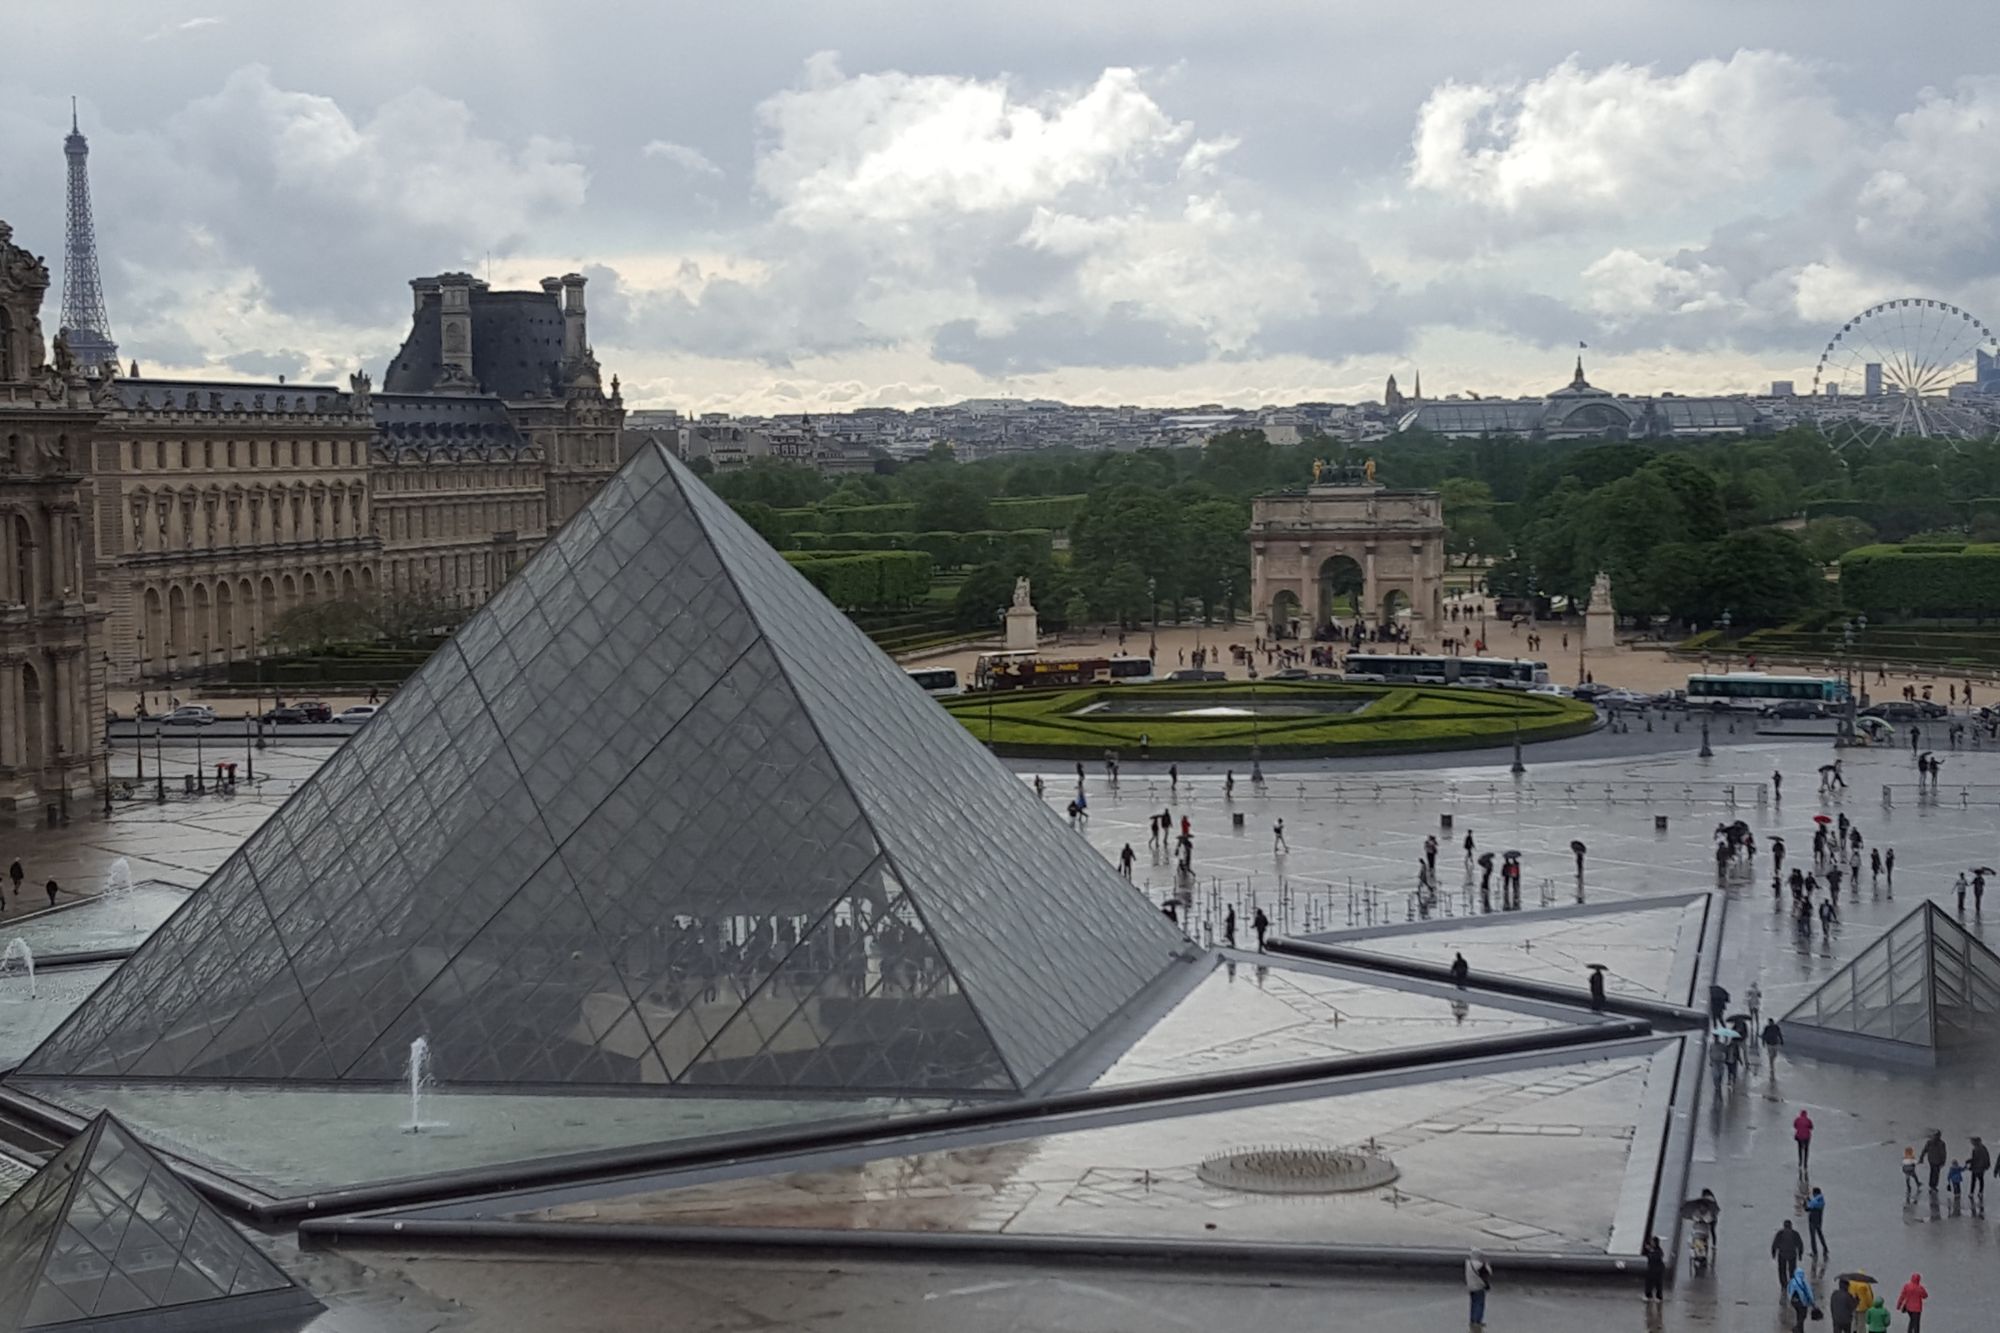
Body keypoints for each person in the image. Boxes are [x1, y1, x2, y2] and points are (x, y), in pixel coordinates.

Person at [1785, 1256, 1815, 1332]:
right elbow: (1809, 1292)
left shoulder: (1792, 1281)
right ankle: (1797, 1327)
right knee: (1803, 1316)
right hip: (1802, 1302)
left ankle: (1800, 1329)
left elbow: (1789, 1290)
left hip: (1794, 1302)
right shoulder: (1804, 1282)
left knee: (1799, 1314)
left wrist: (1789, 1301)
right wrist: (1812, 1303)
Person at [1464, 1249, 1491, 1326]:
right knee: (1479, 1304)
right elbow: (1489, 1272)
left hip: (1470, 1287)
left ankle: (1472, 1320)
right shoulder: (1480, 1265)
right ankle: (1477, 1321)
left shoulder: (1468, 1264)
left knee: (1473, 1304)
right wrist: (1486, 1264)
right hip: (1479, 1287)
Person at [1805, 1185, 1827, 1258]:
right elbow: (1814, 1205)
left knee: (1813, 1237)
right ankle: (1825, 1248)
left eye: (1813, 1194)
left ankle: (1814, 1252)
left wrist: (1805, 1203)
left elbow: (1808, 1209)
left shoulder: (1815, 1202)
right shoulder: (1821, 1201)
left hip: (1812, 1221)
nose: (1813, 1195)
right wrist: (1809, 1200)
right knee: (1820, 1235)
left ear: (1815, 1193)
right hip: (1819, 1221)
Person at [1641, 1234, 1665, 1301]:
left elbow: (1656, 1257)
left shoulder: (1659, 1250)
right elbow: (1647, 1255)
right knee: (1648, 1283)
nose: (1652, 1243)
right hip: (1651, 1269)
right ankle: (1648, 1295)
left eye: (1653, 1242)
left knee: (1658, 1284)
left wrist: (1651, 1252)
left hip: (1658, 1269)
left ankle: (1659, 1297)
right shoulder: (1650, 1250)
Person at [1969, 1135, 1989, 1201]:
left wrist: (1970, 1165)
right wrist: (1987, 1166)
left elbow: (1975, 1159)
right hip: (1981, 1167)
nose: (1971, 1143)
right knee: (1981, 1180)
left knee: (1973, 1180)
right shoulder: (1984, 1148)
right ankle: (1980, 1192)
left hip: (1976, 1167)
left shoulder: (1975, 1149)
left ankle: (1971, 1192)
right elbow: (1987, 1158)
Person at [1795, 1109, 1815, 1175]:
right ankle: (1805, 1164)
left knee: (1800, 1149)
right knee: (1806, 1150)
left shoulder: (1797, 1119)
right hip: (1807, 1137)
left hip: (1799, 1137)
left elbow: (1795, 1125)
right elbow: (1811, 1127)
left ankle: (1800, 1162)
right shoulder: (1808, 1120)